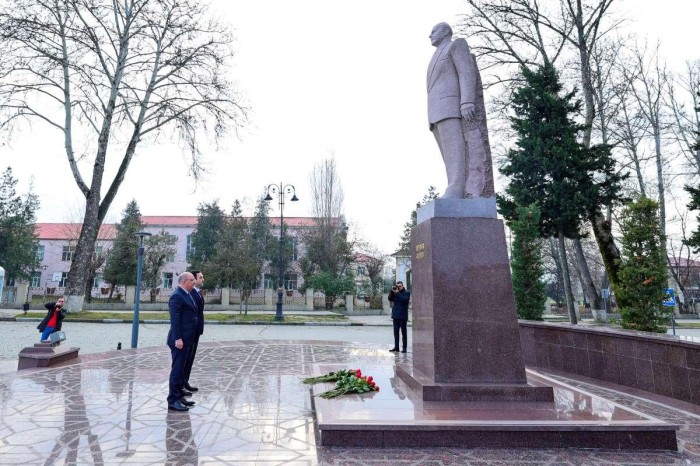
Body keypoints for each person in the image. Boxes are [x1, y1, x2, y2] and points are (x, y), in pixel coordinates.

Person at [427, 22, 494, 199]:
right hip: (436, 112)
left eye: (434, 30)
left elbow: (466, 72)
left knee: (456, 150)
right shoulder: (436, 55)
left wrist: (467, 101)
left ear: (446, 31)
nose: (430, 34)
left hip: (452, 107)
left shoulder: (456, 45)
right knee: (448, 154)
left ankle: (456, 189)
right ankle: (453, 186)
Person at [166, 272, 200, 411]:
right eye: (192, 280)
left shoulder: (186, 294)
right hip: (180, 340)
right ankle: (172, 400)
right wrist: (178, 338)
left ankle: (179, 395)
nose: (194, 282)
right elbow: (174, 319)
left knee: (182, 370)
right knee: (177, 370)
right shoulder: (177, 296)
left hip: (187, 338)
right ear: (185, 281)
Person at [183, 270, 205, 394]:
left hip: (196, 330)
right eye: (200, 277)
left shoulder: (198, 293)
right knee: (186, 358)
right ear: (194, 279)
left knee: (190, 358)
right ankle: (182, 383)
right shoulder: (191, 294)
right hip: (191, 330)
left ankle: (186, 381)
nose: (203, 279)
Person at [389, 282, 410, 353]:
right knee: (396, 332)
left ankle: (404, 348)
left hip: (403, 315)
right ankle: (396, 347)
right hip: (395, 315)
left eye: (399, 286)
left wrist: (397, 293)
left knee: (404, 333)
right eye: (397, 286)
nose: (398, 288)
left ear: (403, 286)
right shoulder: (395, 293)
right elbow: (390, 299)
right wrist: (392, 292)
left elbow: (404, 300)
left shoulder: (407, 292)